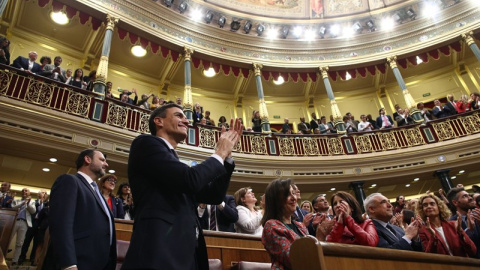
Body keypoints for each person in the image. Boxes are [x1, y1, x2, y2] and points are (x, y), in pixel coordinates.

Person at [121, 103, 242, 270]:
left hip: (186, 254)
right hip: (158, 252)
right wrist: (219, 153)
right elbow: (190, 179)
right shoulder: (146, 144)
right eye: (179, 115)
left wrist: (227, 158)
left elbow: (213, 196)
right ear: (158, 121)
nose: (186, 121)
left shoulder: (174, 162)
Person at [44, 149, 117, 270]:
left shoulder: (96, 191)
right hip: (78, 262)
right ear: (87, 159)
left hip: (99, 263)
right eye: (102, 160)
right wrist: (68, 263)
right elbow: (61, 224)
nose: (106, 164)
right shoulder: (69, 181)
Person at [261, 179, 308, 270]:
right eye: (287, 194)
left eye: (293, 193)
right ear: (276, 200)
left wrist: (320, 235)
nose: (294, 198)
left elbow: (314, 252)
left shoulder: (301, 226)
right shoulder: (271, 226)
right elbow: (293, 259)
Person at [19, 189, 48, 266]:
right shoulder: (33, 202)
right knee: (26, 241)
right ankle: (21, 258)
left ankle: (32, 259)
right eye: (42, 192)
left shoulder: (46, 205)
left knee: (36, 243)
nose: (44, 194)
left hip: (40, 226)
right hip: (32, 223)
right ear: (38, 194)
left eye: (45, 193)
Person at [10, 188, 36, 266]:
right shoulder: (17, 200)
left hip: (24, 223)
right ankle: (3, 256)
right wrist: (22, 203)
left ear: (29, 193)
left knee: (20, 243)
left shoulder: (32, 202)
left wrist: (28, 203)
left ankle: (15, 260)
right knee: (8, 239)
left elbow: (33, 211)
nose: (24, 192)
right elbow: (13, 207)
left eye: (26, 191)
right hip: (14, 221)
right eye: (23, 191)